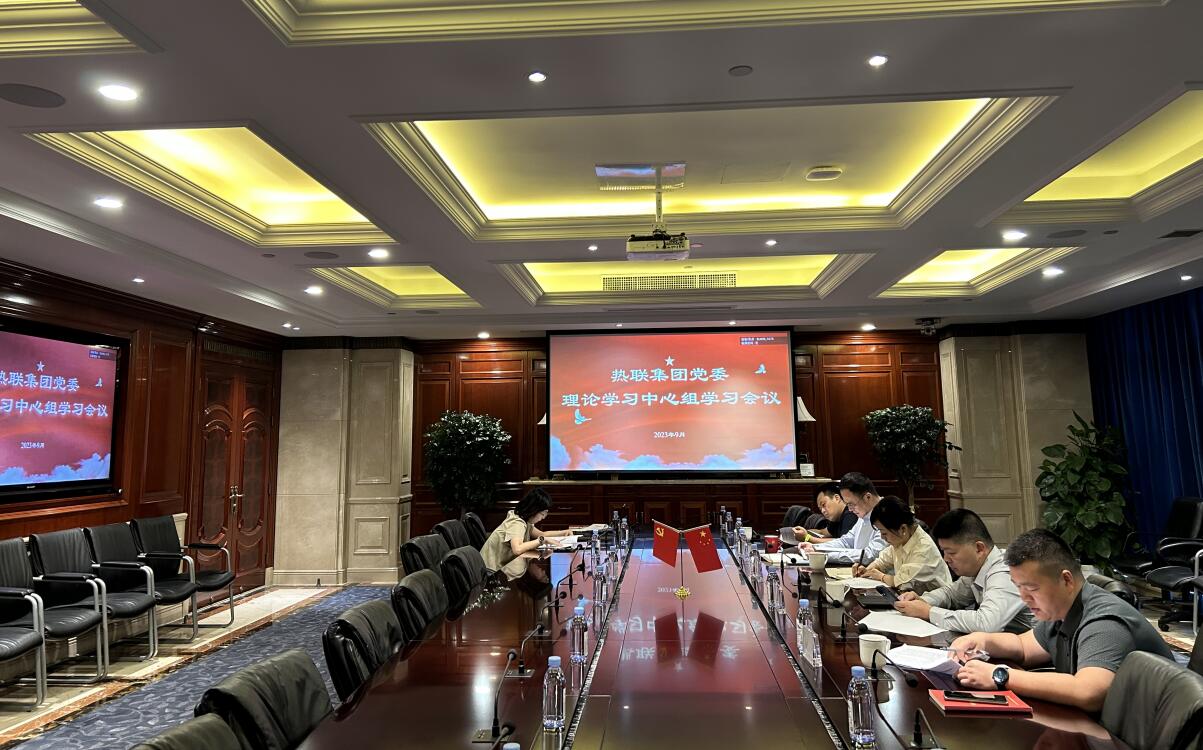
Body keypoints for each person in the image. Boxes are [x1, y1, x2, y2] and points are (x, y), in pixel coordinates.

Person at [951, 528, 1173, 713]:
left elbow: (1089, 692)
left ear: (1066, 580)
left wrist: (1000, 675)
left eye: (1031, 588)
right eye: (1018, 587)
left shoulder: (1104, 621)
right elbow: (1024, 647)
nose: (1024, 598)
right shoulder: (1062, 608)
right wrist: (982, 639)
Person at [893, 508, 1033, 633]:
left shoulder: (1005, 572)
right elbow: (951, 594)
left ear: (979, 548)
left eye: (951, 553)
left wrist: (929, 612)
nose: (946, 559)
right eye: (944, 552)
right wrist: (922, 601)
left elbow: (986, 623)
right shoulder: (977, 568)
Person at [851, 496, 951, 594]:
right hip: (911, 597)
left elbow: (900, 582)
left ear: (903, 529)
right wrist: (866, 571)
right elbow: (882, 561)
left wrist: (880, 576)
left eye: (884, 533)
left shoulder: (923, 550)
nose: (882, 537)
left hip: (934, 601)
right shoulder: (902, 539)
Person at [480, 488, 572, 578]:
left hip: (500, 573)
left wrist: (563, 533)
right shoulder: (516, 523)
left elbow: (541, 534)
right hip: (491, 575)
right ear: (534, 510)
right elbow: (517, 549)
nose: (543, 517)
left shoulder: (524, 520)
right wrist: (542, 541)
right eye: (542, 514)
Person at [799, 472, 886, 565]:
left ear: (867, 497)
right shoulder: (864, 514)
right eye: (847, 504)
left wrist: (825, 555)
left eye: (851, 504)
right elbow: (846, 542)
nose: (850, 509)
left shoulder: (887, 514)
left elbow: (870, 555)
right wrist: (816, 548)